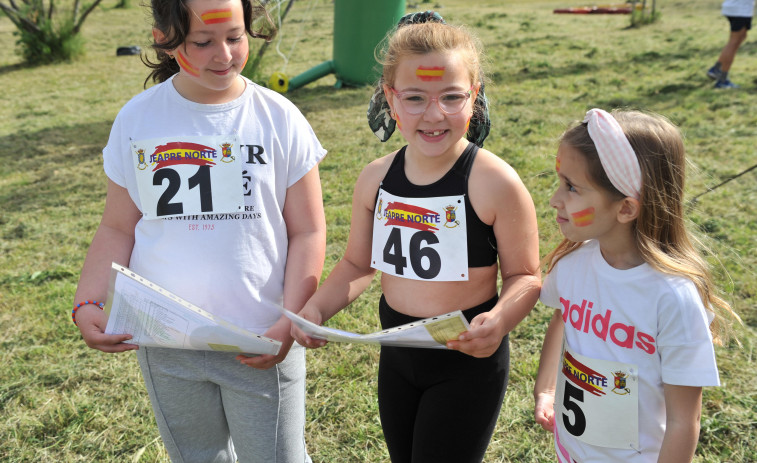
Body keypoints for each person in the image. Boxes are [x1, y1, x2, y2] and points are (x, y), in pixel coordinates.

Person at [71, 0, 327, 461]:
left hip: (262, 339)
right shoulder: (137, 119)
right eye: (202, 42)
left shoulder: (279, 117)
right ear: (164, 39)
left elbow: (308, 230)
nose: (223, 55)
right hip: (166, 344)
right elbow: (116, 227)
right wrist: (88, 301)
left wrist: (292, 317)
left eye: (235, 37)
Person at [291, 12, 541, 463]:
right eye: (415, 97)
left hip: (466, 363)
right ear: (390, 98)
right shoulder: (375, 179)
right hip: (398, 354)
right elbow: (357, 264)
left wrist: (500, 320)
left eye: (452, 97)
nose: (434, 114)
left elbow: (526, 275)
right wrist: (317, 308)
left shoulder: (495, 182)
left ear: (475, 96)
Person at [533, 108, 739, 462]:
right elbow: (561, 319)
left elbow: (683, 421)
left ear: (627, 209)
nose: (554, 198)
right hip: (570, 451)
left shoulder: (673, 298)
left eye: (571, 187)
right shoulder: (572, 265)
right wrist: (546, 389)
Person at [707, 0, 755, 88]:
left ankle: (716, 69)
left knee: (741, 37)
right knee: (733, 43)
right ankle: (722, 80)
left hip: (734, 7)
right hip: (740, 10)